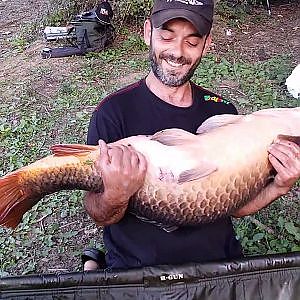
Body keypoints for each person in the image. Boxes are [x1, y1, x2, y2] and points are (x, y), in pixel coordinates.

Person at [82, 0, 300, 270]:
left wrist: (278, 186)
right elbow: (97, 212)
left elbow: (235, 206)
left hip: (218, 267)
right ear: (148, 32)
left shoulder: (222, 111)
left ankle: (92, 264)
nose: (177, 52)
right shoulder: (114, 112)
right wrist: (114, 195)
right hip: (139, 270)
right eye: (167, 36)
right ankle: (94, 264)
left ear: (207, 44)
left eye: (192, 42)